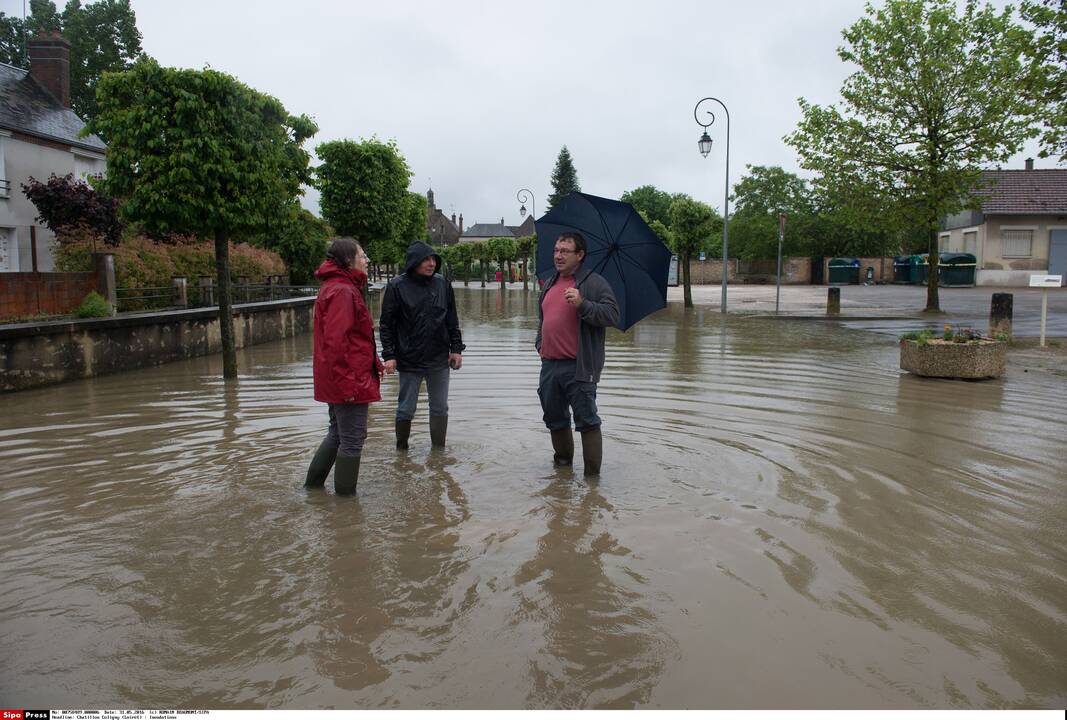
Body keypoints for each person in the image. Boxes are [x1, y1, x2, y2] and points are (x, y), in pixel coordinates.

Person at [304, 237, 389, 495]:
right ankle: (345, 507)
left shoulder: (339, 286)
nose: (366, 260)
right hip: (348, 379)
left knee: (338, 434)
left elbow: (353, 338)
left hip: (343, 376)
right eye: (362, 256)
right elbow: (337, 342)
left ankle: (313, 489)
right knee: (352, 438)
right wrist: (348, 385)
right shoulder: (342, 291)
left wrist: (375, 362)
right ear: (347, 260)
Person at [535, 232, 619, 475]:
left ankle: (592, 482)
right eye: (556, 250)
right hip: (549, 366)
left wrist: (583, 304)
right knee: (554, 418)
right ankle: (562, 473)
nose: (558, 256)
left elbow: (612, 315)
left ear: (580, 255)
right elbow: (543, 320)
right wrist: (540, 344)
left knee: (587, 421)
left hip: (579, 367)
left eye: (565, 251)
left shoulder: (595, 283)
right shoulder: (550, 283)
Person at [379, 240, 465, 450]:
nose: (431, 263)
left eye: (433, 259)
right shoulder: (397, 286)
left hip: (438, 358)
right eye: (426, 259)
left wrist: (455, 349)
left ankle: (439, 453)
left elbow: (451, 318)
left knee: (440, 408)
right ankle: (402, 451)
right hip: (409, 359)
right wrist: (389, 355)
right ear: (414, 262)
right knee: (406, 408)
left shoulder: (442, 283)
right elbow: (386, 324)